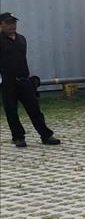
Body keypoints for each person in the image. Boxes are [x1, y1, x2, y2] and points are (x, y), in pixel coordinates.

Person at [0, 12, 60, 148]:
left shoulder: (21, 39)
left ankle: (46, 135)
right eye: (8, 23)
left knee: (34, 109)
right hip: (8, 81)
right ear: (1, 25)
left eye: (14, 22)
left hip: (24, 80)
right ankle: (18, 137)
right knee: (11, 111)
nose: (12, 25)